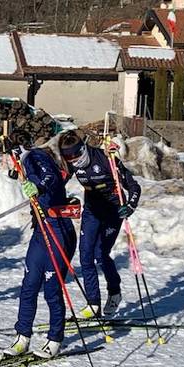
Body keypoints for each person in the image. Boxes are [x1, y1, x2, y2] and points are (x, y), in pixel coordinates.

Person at [3, 130, 78, 359]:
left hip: (58, 228)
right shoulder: (24, 163)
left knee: (52, 289)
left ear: (15, 152)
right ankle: (22, 337)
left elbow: (51, 178)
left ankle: (55, 339)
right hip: (41, 231)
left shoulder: (35, 156)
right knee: (29, 285)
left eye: (6, 156)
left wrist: (39, 187)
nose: (6, 161)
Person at [58, 130, 141, 317]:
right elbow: (58, 182)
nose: (73, 160)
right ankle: (93, 303)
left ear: (83, 148)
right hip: (92, 211)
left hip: (113, 211)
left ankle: (114, 292)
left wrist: (130, 205)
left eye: (76, 155)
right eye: (68, 157)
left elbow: (134, 186)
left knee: (100, 254)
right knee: (85, 255)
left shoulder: (105, 159)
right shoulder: (71, 164)